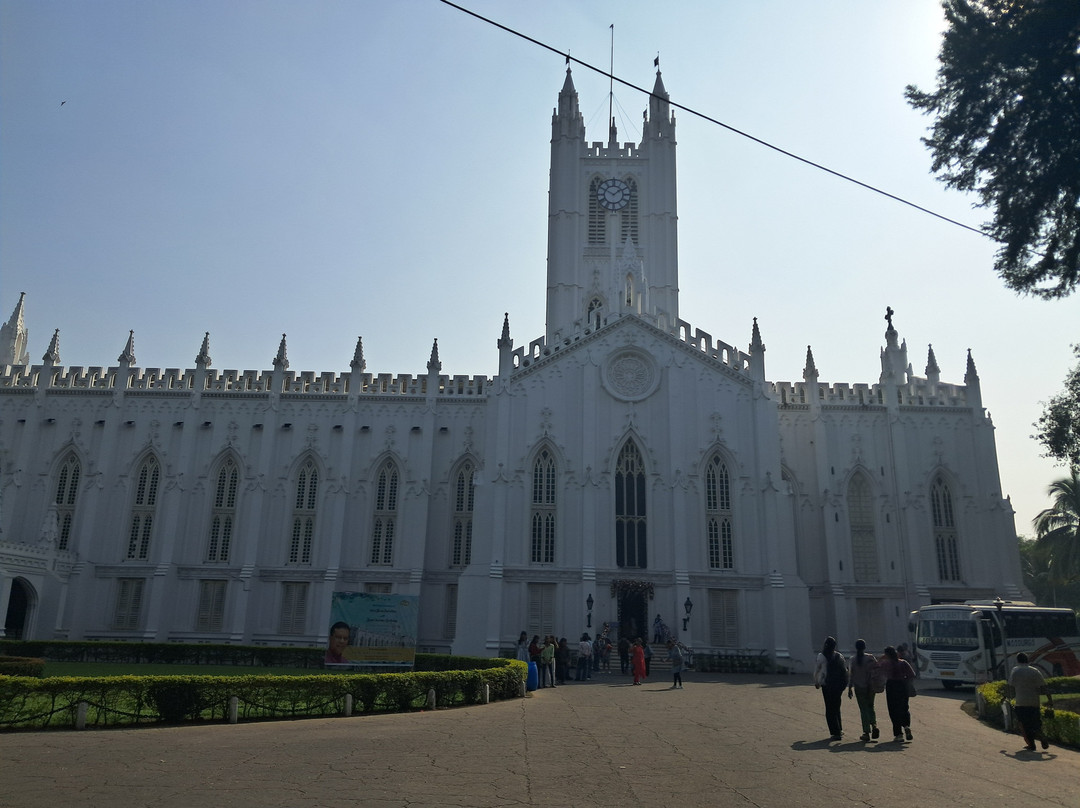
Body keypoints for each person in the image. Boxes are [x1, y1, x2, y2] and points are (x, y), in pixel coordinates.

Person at [1008, 652, 1053, 751]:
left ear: (1018, 661)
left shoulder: (1015, 671)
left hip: (1020, 702)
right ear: (1027, 660)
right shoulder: (1035, 671)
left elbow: (1011, 686)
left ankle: (1031, 744)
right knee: (1036, 722)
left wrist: (1008, 697)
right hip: (1034, 702)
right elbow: (1044, 687)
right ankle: (1041, 735)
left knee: (1024, 724)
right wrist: (1050, 700)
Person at [813, 636, 848, 740]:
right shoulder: (839, 656)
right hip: (838, 685)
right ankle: (840, 729)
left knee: (829, 708)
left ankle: (835, 732)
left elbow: (818, 671)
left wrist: (817, 682)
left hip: (827, 685)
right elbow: (845, 670)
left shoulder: (821, 656)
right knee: (836, 707)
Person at [846, 639, 880, 742]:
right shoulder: (870, 658)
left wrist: (850, 688)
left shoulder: (853, 659)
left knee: (863, 709)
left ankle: (866, 732)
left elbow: (851, 675)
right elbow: (877, 670)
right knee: (871, 706)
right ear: (865, 647)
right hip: (871, 686)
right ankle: (874, 725)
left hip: (859, 687)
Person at [881, 645, 916, 742]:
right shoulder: (903, 663)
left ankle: (898, 734)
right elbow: (912, 675)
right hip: (902, 685)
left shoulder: (885, 663)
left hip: (891, 686)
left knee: (893, 709)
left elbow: (876, 667)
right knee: (904, 707)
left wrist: (881, 658)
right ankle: (906, 726)